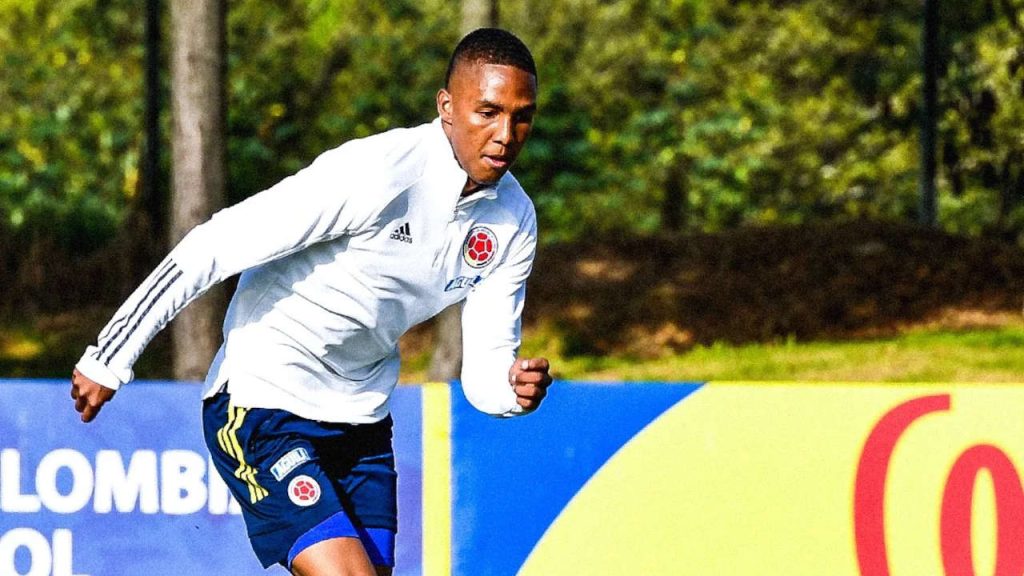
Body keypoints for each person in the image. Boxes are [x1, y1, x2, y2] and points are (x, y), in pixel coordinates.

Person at [69, 27, 552, 576]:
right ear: (446, 107)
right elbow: (215, 243)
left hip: (362, 422)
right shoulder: (378, 173)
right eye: (487, 112)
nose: (505, 134)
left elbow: (486, 368)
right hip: (262, 400)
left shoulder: (514, 220)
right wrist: (110, 354)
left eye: (522, 117)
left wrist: (511, 391)